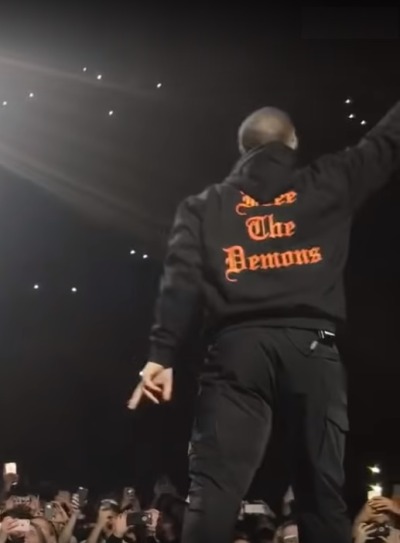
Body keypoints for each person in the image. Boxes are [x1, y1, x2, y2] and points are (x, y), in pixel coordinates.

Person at [128, 103, 400, 543]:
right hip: (311, 346)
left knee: (213, 491)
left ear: (243, 150)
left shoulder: (204, 206)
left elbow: (179, 282)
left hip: (236, 352)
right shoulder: (329, 180)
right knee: (320, 494)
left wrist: (161, 355)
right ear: (293, 143)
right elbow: (386, 141)